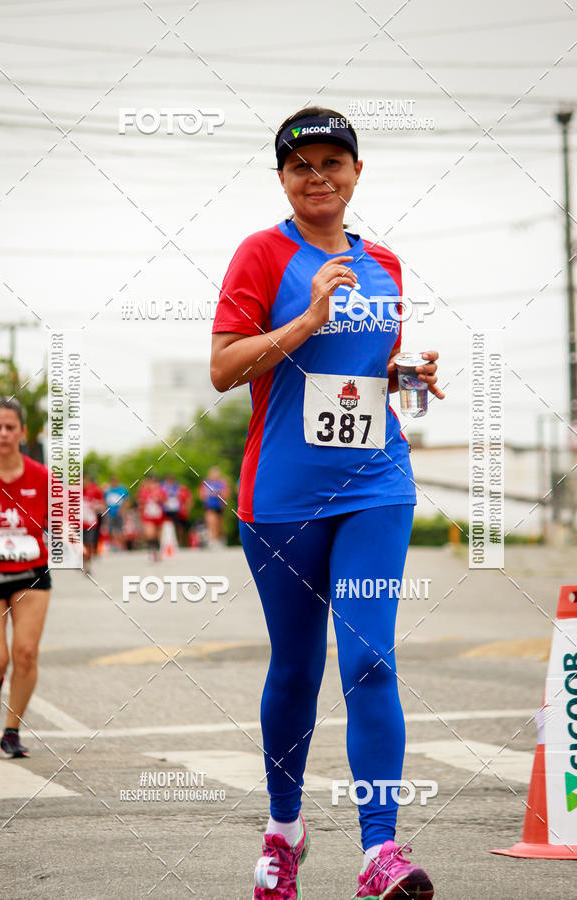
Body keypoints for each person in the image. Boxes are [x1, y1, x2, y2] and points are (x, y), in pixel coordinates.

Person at [210, 107, 445, 899]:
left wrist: (410, 378)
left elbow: (363, 372)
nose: (319, 177)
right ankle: (284, 830)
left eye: (332, 163)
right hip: (283, 496)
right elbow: (223, 367)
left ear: (356, 172)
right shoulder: (262, 254)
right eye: (302, 166)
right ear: (283, 179)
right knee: (298, 666)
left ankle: (380, 849)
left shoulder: (386, 264)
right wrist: (306, 316)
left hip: (376, 482)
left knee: (371, 658)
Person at [0, 397, 52, 758]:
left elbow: (64, 522)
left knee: (25, 652)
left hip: (31, 573)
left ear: (23, 432)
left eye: (10, 427)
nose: (4, 434)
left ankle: (12, 730)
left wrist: (73, 538)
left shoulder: (42, 476)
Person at [198, 466, 231, 548]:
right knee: (212, 522)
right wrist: (207, 496)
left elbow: (227, 494)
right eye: (213, 473)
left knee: (219, 525)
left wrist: (219, 493)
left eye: (216, 473)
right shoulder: (206, 482)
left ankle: (220, 539)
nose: (214, 475)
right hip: (209, 506)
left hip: (219, 506)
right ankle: (212, 540)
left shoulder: (222, 482)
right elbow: (201, 494)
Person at [137, 476, 166, 560]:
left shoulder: (160, 490)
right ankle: (151, 551)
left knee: (158, 535)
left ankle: (157, 552)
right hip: (148, 516)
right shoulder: (143, 491)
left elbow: (164, 500)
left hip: (159, 515)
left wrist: (157, 494)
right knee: (150, 534)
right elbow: (140, 502)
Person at [104, 476, 130, 550]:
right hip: (110, 513)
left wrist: (123, 510)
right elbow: (104, 501)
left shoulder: (122, 490)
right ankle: (112, 545)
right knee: (109, 530)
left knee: (121, 530)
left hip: (119, 513)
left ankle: (123, 546)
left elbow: (127, 500)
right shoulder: (108, 491)